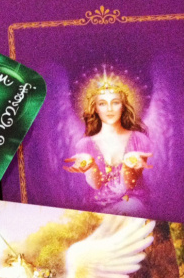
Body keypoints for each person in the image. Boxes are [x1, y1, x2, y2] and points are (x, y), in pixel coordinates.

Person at [64, 74, 152, 214]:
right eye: (102, 104)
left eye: (115, 102)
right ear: (96, 108)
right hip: (97, 206)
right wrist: (91, 166)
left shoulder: (139, 140)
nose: (109, 109)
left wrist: (128, 164)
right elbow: (96, 185)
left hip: (132, 203)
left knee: (131, 207)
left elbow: (129, 185)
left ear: (123, 106)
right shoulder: (84, 145)